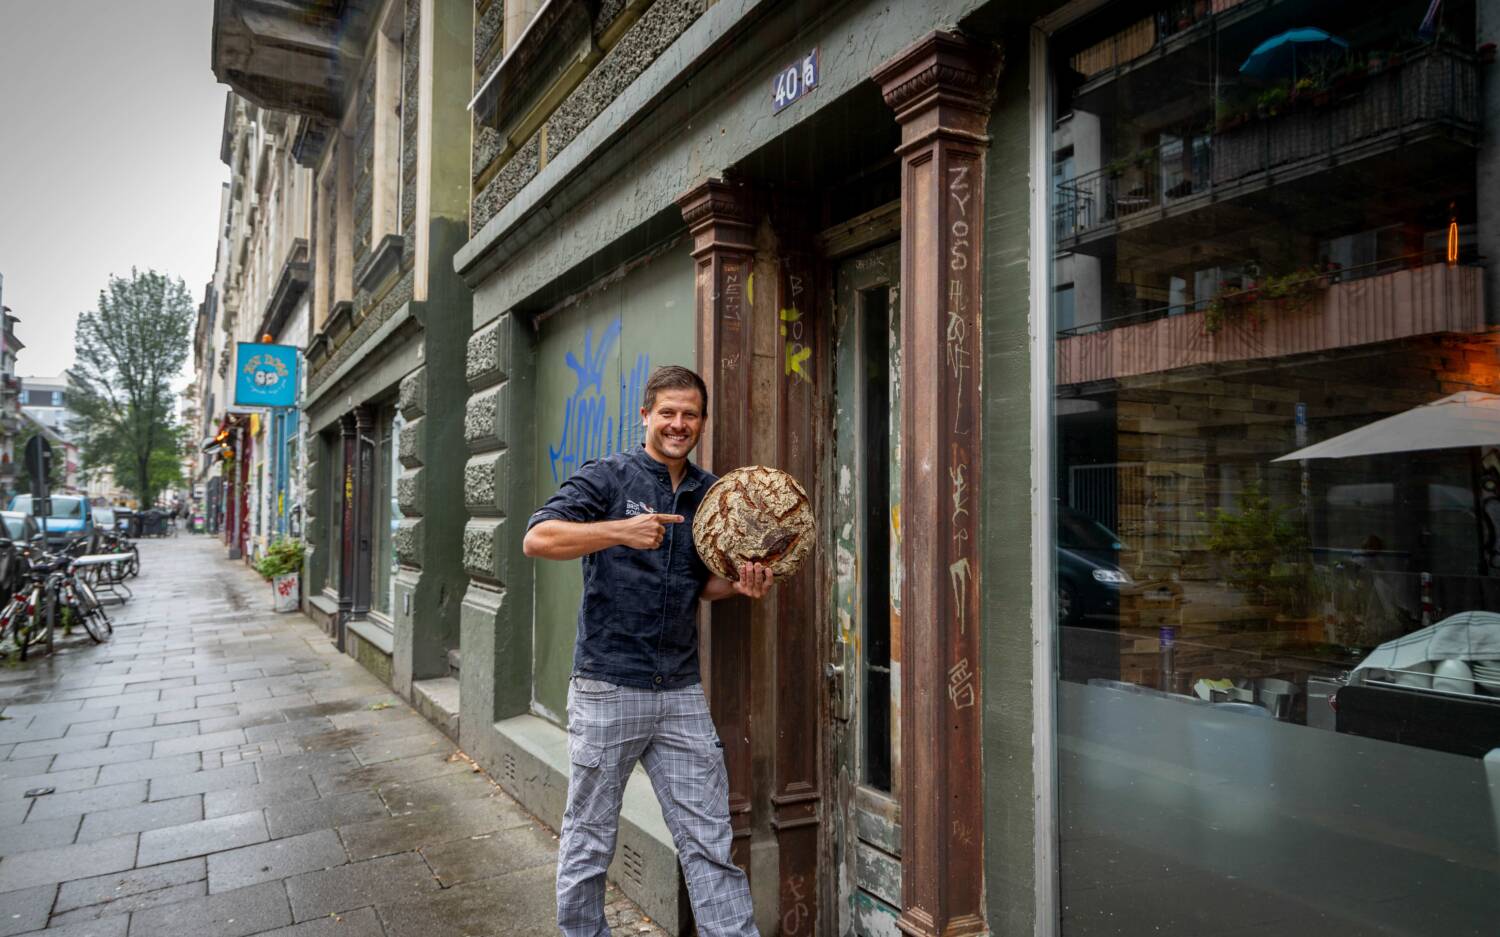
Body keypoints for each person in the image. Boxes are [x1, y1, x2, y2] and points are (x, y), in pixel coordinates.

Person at [524, 365, 769, 937]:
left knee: (711, 843)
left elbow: (697, 583)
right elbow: (539, 537)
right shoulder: (607, 477)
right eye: (668, 413)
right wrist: (619, 530)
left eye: (689, 415)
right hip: (607, 687)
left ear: (702, 421)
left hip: (680, 692)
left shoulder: (711, 493)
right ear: (646, 416)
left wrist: (738, 584)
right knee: (589, 840)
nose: (678, 424)